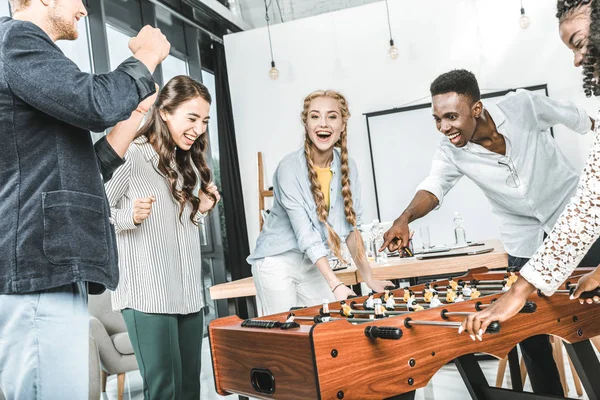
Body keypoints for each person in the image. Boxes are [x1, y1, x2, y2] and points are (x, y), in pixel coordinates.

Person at [380, 69, 600, 396]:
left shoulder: (523, 106)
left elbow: (577, 118)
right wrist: (405, 217)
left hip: (574, 223)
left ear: (477, 109)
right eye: (437, 119)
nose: (444, 127)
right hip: (523, 240)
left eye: (451, 116)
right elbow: (435, 185)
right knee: (531, 337)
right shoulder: (450, 151)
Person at [0, 0, 170, 397]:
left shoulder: (27, 58)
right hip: (37, 268)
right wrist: (146, 58)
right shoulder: (16, 42)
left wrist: (132, 119)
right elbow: (96, 102)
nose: (83, 8)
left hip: (51, 269)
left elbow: (83, 172)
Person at [461, 0, 600, 338]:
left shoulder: (523, 105)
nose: (578, 59)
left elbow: (587, 207)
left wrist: (520, 290)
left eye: (580, 43)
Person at [105, 76, 219, 399]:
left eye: (205, 121)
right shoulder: (131, 154)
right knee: (164, 392)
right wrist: (129, 216)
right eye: (192, 118)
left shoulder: (187, 162)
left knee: (189, 390)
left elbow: (180, 227)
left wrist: (202, 209)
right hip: (147, 296)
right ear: (166, 112)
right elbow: (97, 211)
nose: (199, 129)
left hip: (187, 295)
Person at [247, 90, 392, 316]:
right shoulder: (289, 168)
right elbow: (305, 234)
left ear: (343, 125)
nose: (322, 123)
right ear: (306, 124)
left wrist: (369, 278)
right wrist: (335, 285)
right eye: (315, 116)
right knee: (286, 332)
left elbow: (352, 230)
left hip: (312, 263)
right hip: (277, 262)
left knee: (330, 323)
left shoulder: (349, 167)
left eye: (332, 116)